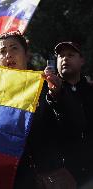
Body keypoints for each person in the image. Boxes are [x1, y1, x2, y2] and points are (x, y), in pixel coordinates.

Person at [0, 31, 58, 189]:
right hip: (4, 179)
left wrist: (57, 95)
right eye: (2, 51)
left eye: (14, 48)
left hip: (44, 178)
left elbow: (66, 129)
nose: (8, 55)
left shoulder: (45, 86)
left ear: (27, 54)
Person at [43, 42, 93, 187]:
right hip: (61, 175)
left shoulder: (90, 91)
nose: (65, 59)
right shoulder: (43, 92)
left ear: (82, 60)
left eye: (70, 55)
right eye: (61, 56)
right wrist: (55, 95)